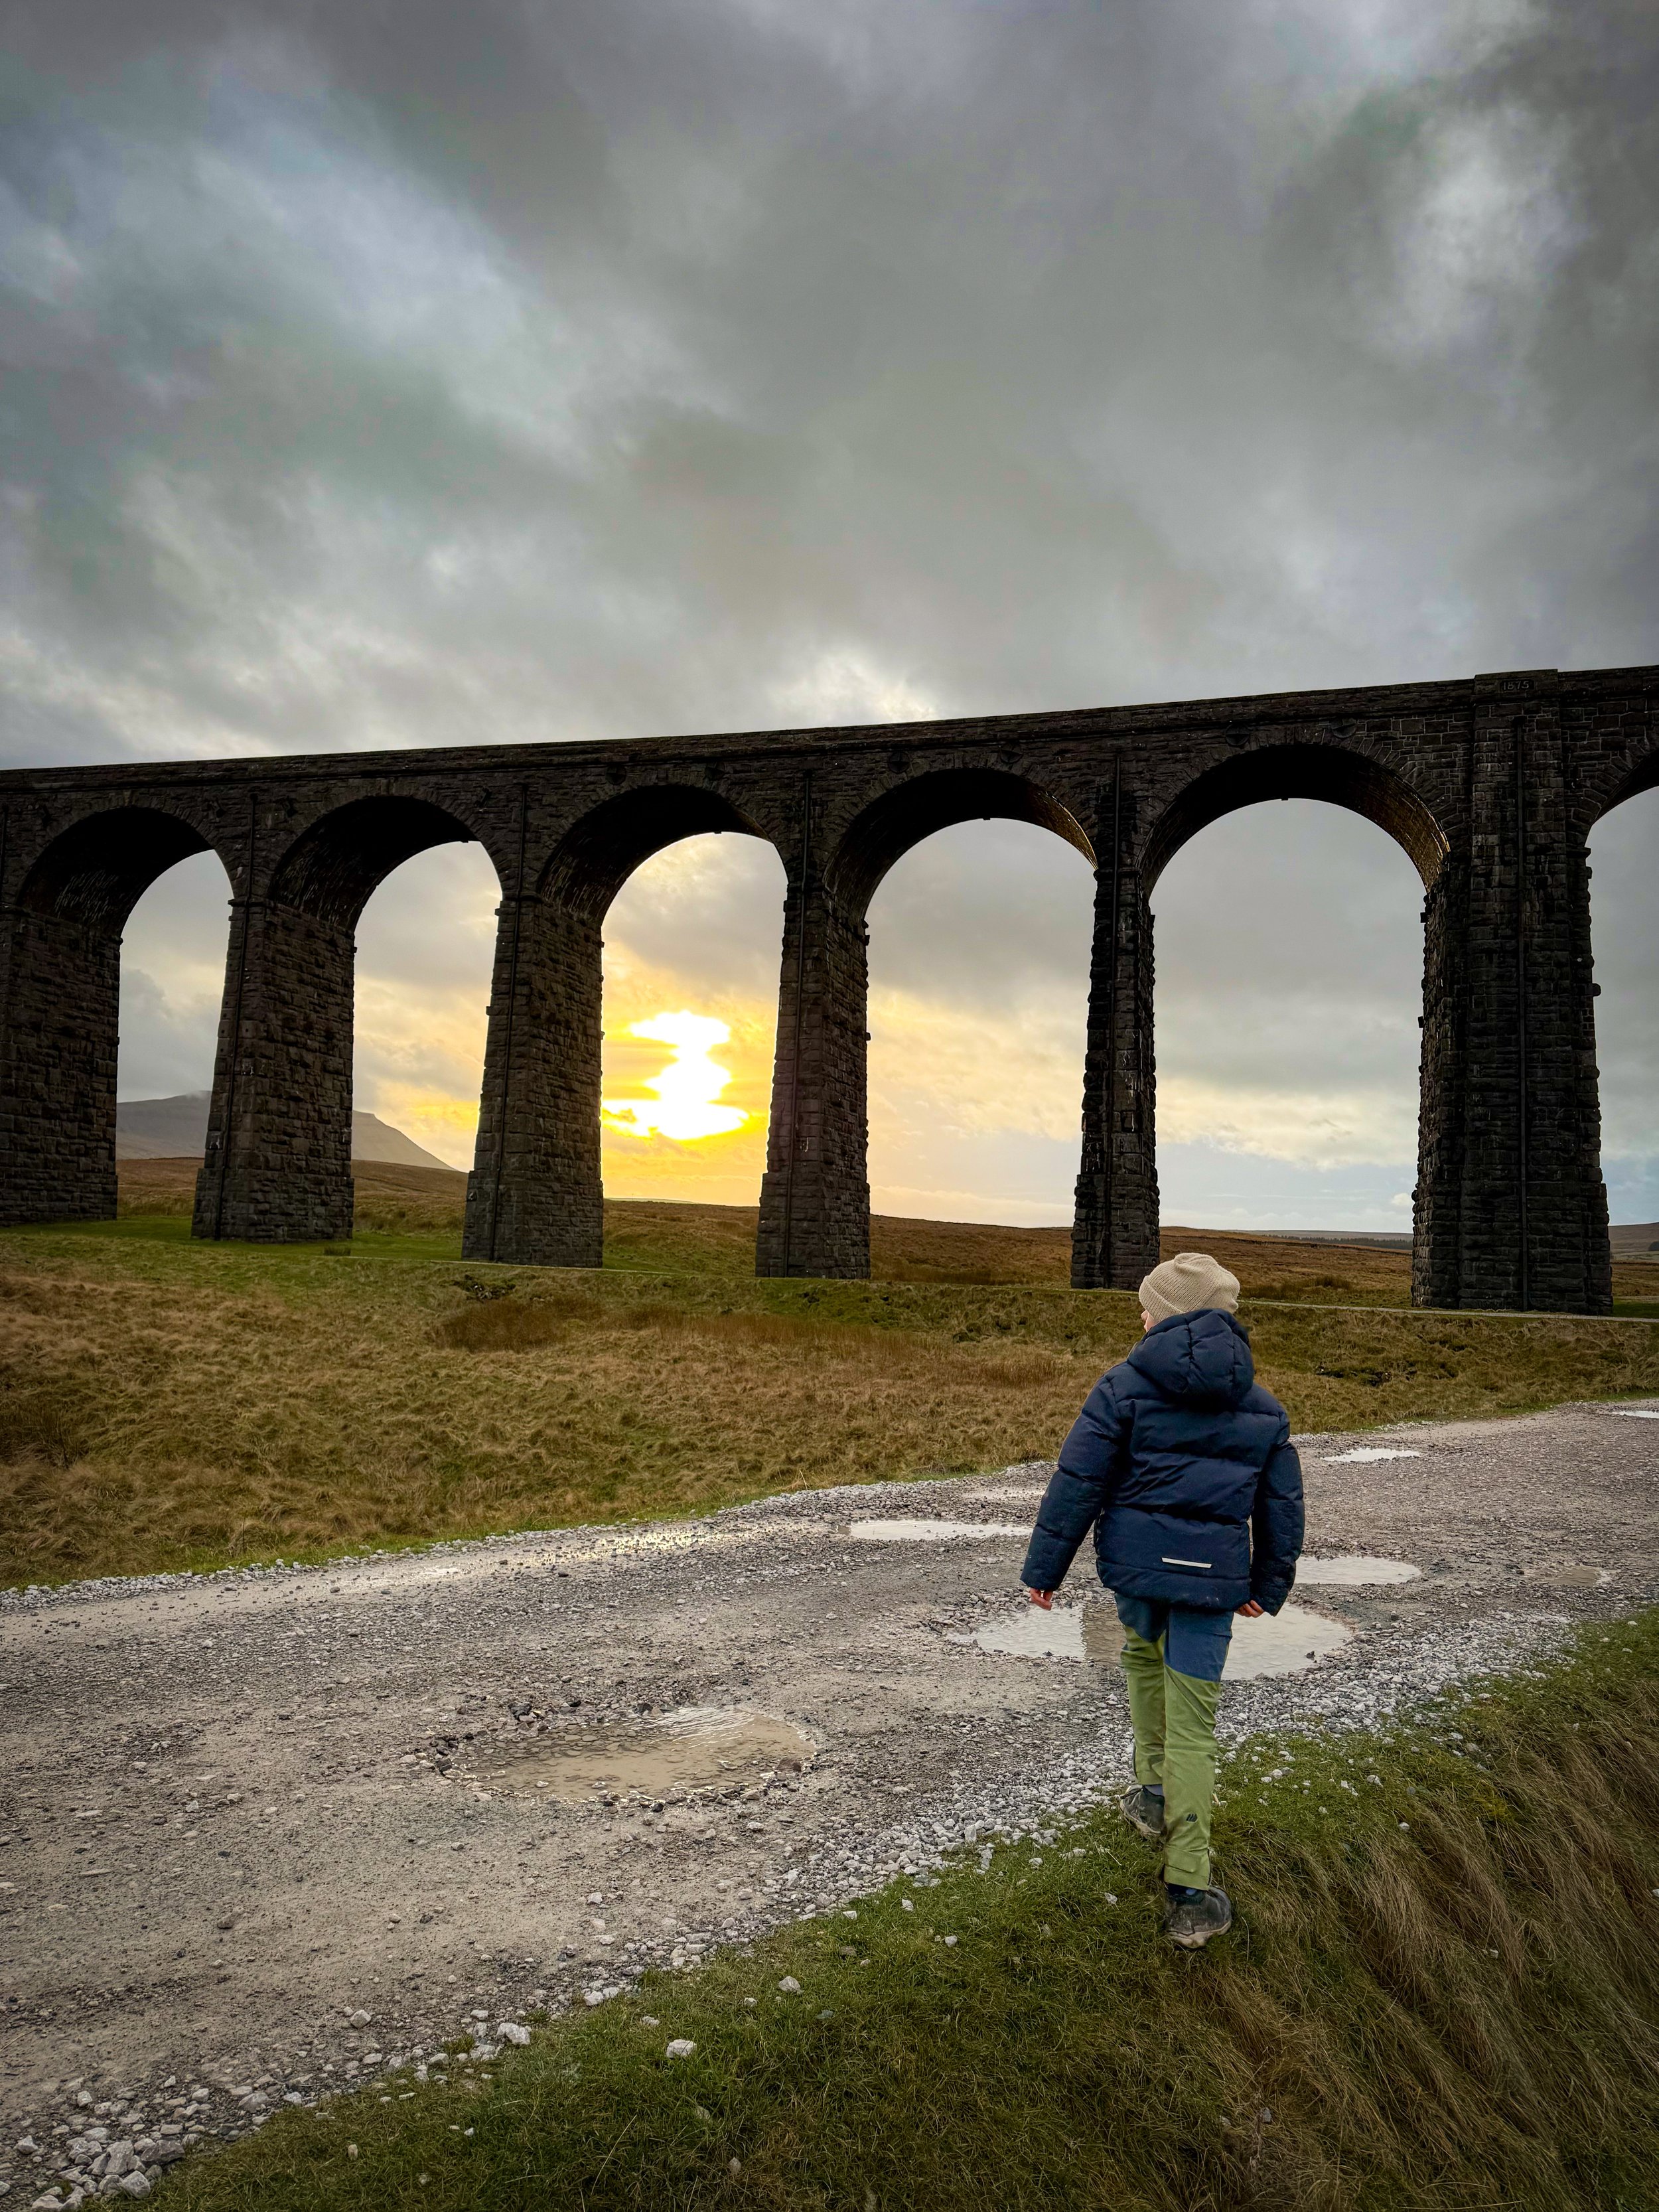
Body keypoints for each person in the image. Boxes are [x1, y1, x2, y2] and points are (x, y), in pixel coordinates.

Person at [1021, 1250, 1303, 1949]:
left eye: (1146, 1307)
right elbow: (1282, 1507)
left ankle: (1153, 1800)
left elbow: (1077, 1482)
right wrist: (1268, 1587)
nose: (1139, 1316)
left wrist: (1045, 1569)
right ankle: (1188, 1890)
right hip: (1212, 1581)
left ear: (1168, 1316)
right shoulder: (1263, 1407)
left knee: (1143, 1661)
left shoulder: (1120, 1386)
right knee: (1193, 1724)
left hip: (1137, 1570)